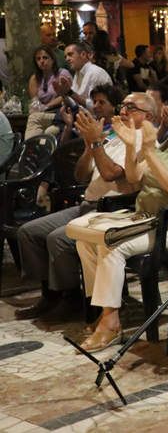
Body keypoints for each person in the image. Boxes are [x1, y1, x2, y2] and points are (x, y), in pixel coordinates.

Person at [73, 93, 168, 351]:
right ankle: (105, 311)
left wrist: (148, 149)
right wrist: (132, 145)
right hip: (146, 219)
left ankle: (110, 324)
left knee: (112, 245)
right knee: (86, 241)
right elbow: (134, 178)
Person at [15, 93, 157, 319]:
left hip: (111, 209)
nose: (123, 110)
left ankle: (71, 297)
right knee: (29, 232)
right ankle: (50, 295)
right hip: (86, 204)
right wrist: (91, 145)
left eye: (131, 107)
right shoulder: (113, 136)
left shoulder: (142, 140)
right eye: (123, 105)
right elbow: (80, 175)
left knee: (58, 239)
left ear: (148, 115)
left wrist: (97, 142)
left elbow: (112, 174)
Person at [26, 45, 73, 139]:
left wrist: (46, 106)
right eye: (38, 59)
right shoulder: (35, 78)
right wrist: (35, 107)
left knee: (37, 122)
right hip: (43, 114)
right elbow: (34, 101)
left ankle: (28, 149)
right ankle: (32, 149)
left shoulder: (62, 74)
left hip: (60, 112)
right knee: (35, 120)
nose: (42, 61)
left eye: (45, 58)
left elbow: (66, 95)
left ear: (52, 59)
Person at [59, 42, 113, 110]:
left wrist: (70, 92)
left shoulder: (96, 72)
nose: (67, 59)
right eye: (65, 56)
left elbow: (95, 107)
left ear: (83, 54)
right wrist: (63, 94)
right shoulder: (77, 74)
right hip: (80, 116)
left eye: (70, 54)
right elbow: (74, 104)